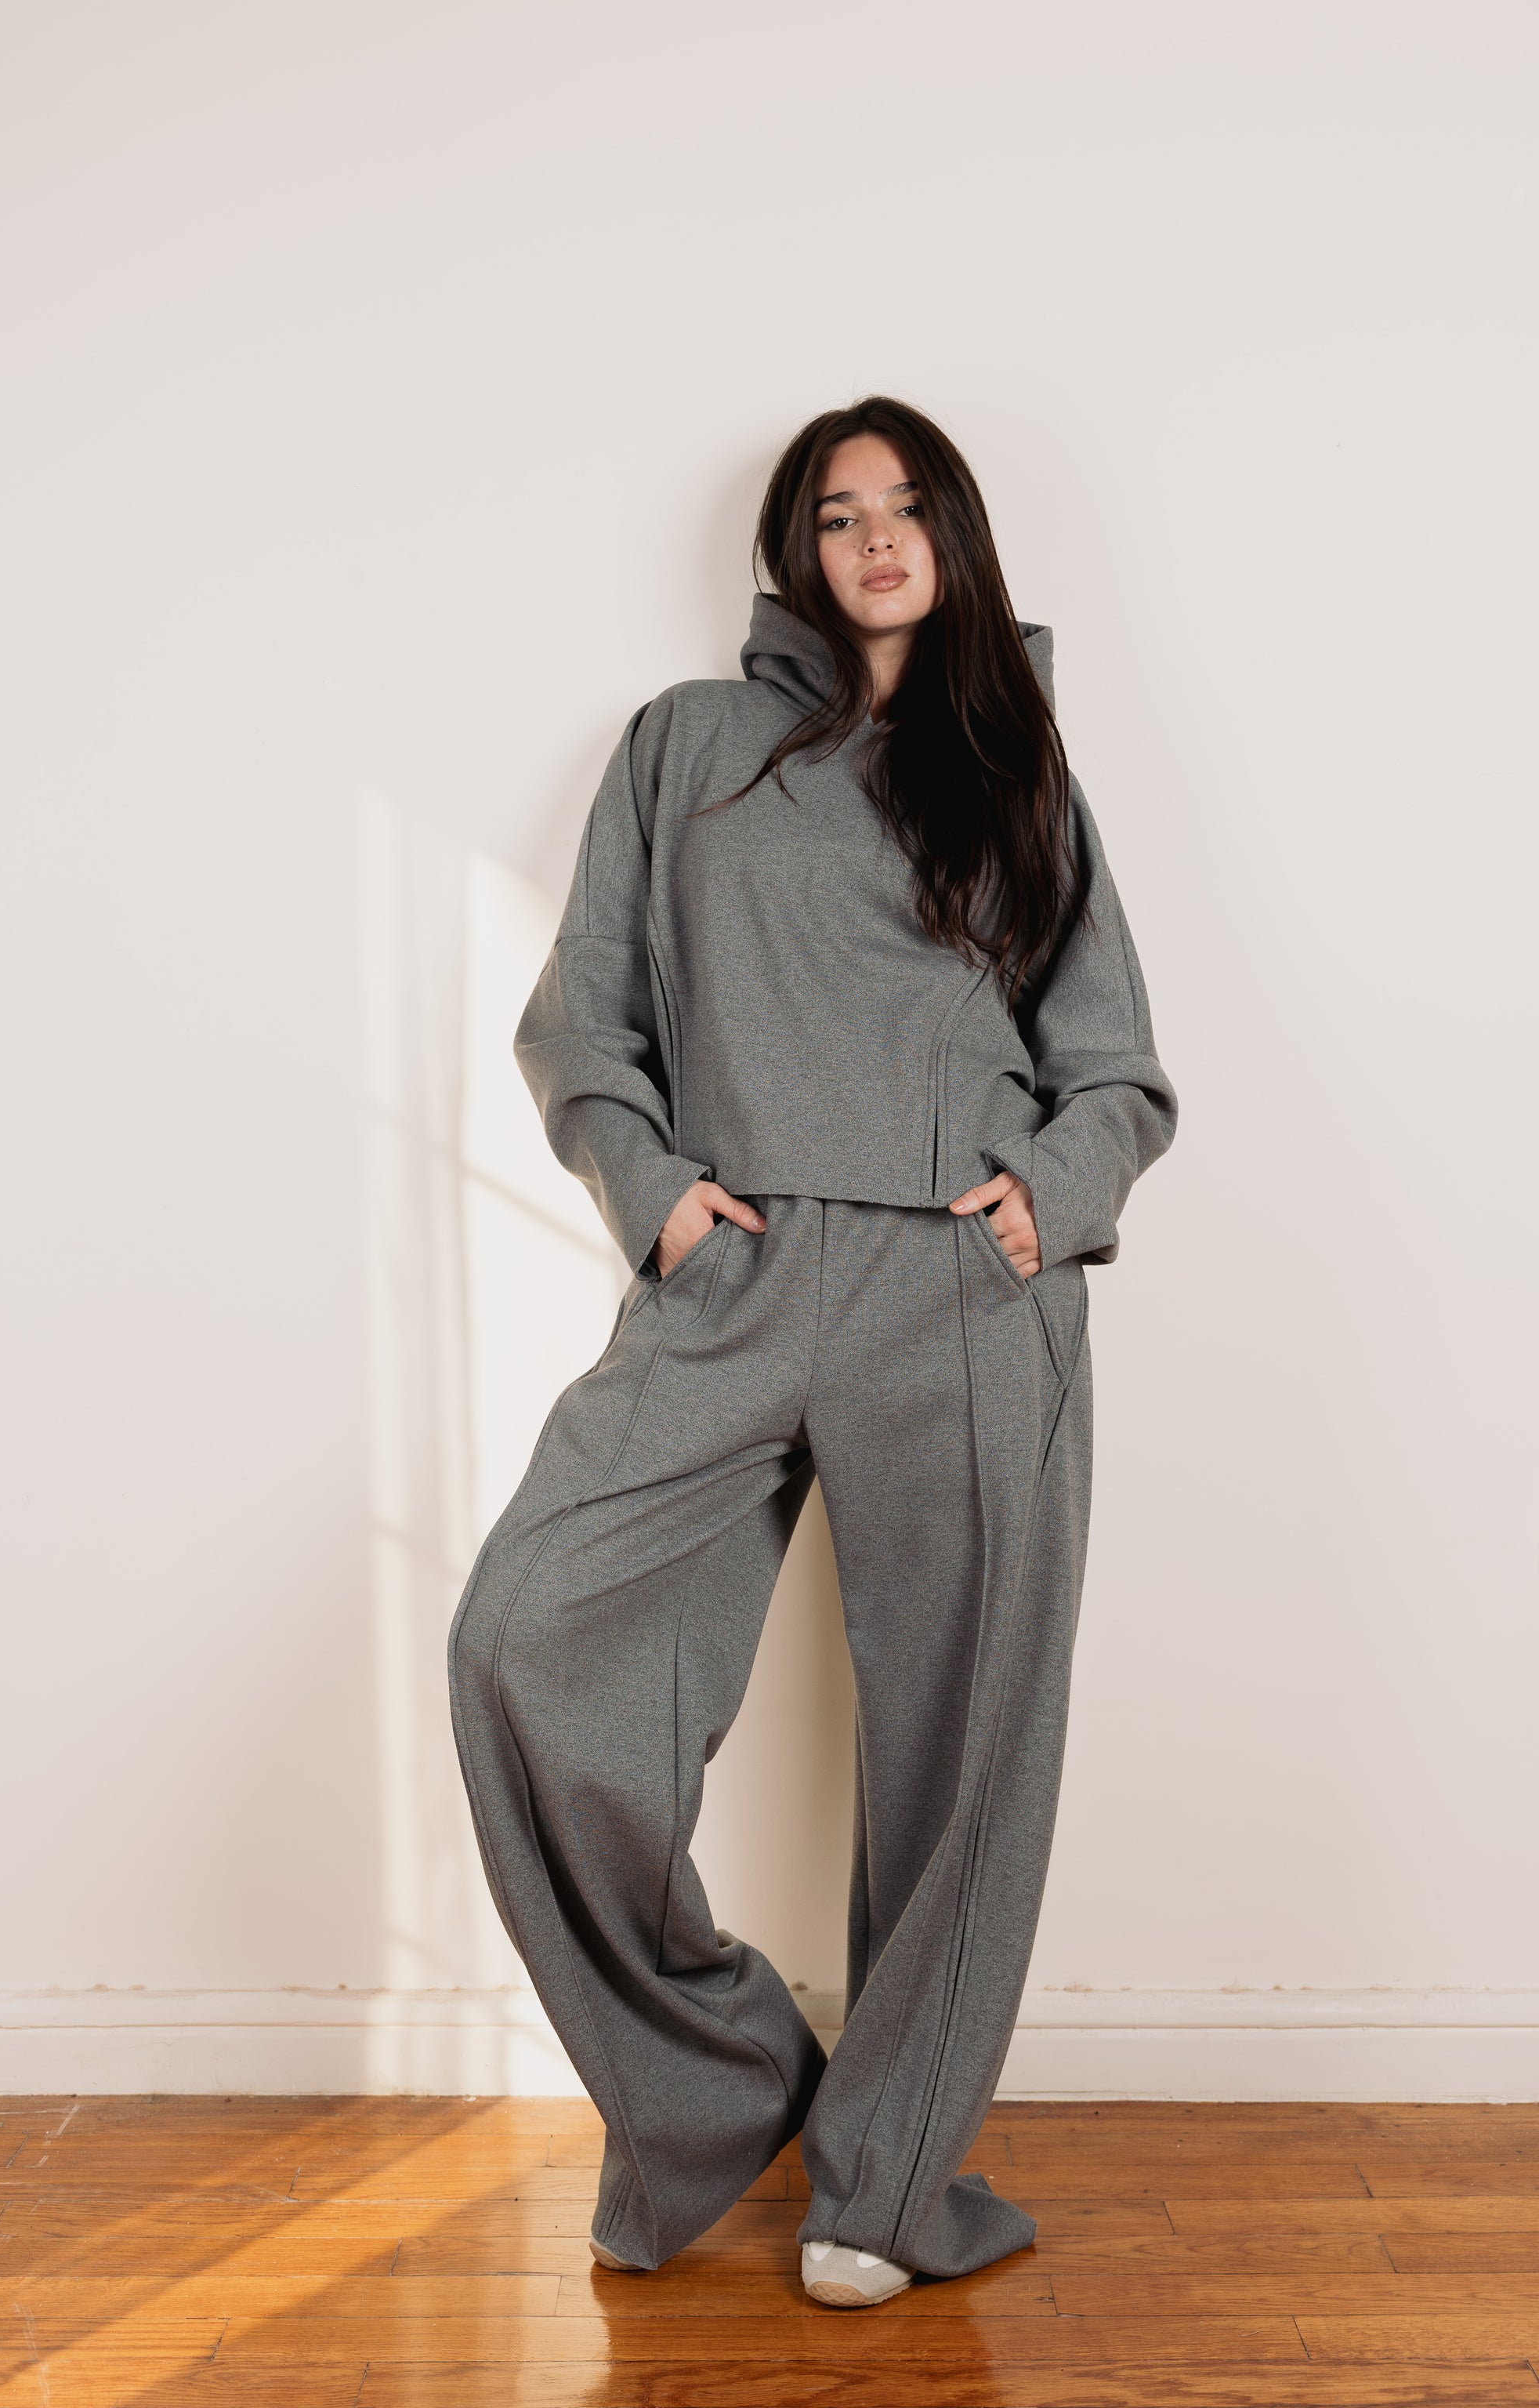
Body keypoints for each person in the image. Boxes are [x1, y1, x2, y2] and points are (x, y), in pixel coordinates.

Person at [447, 396, 1178, 2308]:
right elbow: (580, 1019)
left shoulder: (1016, 768)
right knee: (521, 1643)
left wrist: (1044, 1197)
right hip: (738, 1269)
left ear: (956, 535)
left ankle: (889, 2179)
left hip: (965, 1281)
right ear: (796, 547)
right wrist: (657, 1196)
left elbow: (1114, 1067)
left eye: (906, 506)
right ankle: (727, 2082)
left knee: (965, 1748)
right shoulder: (685, 747)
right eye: (837, 513)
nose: (874, 539)